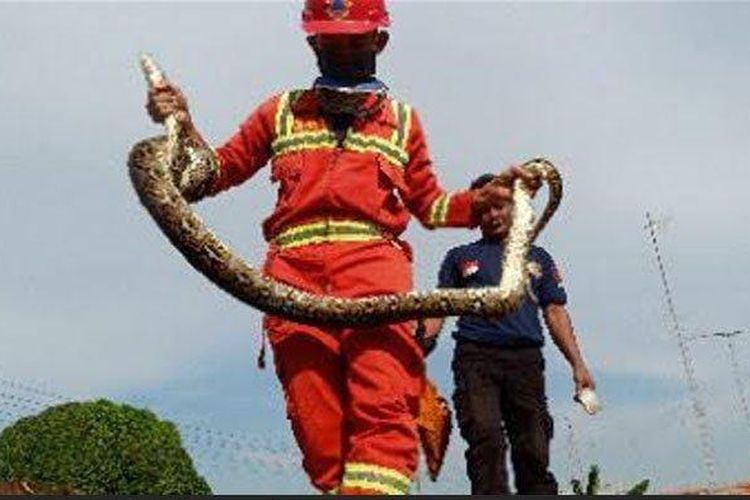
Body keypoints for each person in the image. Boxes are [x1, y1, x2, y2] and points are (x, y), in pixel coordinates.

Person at [146, 1, 541, 494]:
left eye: (357, 40)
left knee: (383, 421)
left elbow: (431, 206)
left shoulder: (402, 122)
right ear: (312, 43)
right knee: (321, 436)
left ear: (380, 41)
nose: (345, 50)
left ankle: (405, 400)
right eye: (333, 41)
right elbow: (210, 173)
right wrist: (181, 126)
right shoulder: (280, 112)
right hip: (290, 288)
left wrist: (479, 201)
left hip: (377, 281)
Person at [419, 173, 596, 495]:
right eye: (484, 209)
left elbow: (555, 311)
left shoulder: (537, 257)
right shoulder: (459, 257)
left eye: (499, 207)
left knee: (533, 446)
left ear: (513, 206)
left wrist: (578, 365)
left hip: (525, 360)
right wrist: (418, 347)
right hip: (476, 359)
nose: (493, 215)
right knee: (485, 438)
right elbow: (439, 307)